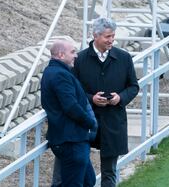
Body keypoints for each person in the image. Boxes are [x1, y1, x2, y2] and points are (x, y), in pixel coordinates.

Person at [73, 17, 140, 187]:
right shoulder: (80, 59)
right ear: (96, 36)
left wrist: (120, 98)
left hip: (113, 120)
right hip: (87, 121)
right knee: (80, 167)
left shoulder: (124, 58)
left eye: (113, 36)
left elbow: (133, 86)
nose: (111, 40)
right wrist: (91, 99)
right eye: (107, 36)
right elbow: (74, 90)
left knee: (109, 172)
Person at [41, 39, 98, 187]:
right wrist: (91, 123)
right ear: (60, 55)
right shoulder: (60, 74)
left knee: (88, 181)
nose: (76, 56)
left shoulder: (56, 71)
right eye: (72, 52)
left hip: (72, 139)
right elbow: (70, 106)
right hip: (71, 140)